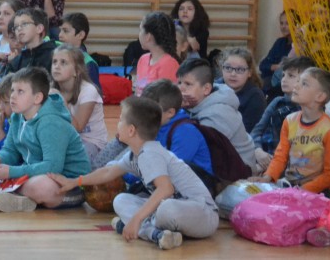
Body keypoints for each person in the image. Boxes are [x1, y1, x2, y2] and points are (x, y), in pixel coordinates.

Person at [50, 96, 219, 251]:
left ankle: (140, 227)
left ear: (131, 130)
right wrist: (75, 181)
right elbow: (108, 171)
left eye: (121, 119)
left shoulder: (150, 153)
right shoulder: (135, 153)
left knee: (166, 210)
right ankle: (156, 234)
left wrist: (136, 219)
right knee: (121, 200)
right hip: (175, 210)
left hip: (203, 214)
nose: (118, 123)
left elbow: (165, 189)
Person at [0, 66, 91, 212]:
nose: (12, 96)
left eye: (20, 91)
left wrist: (11, 172)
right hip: (39, 174)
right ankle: (20, 198)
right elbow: (10, 150)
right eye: (13, 90)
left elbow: (52, 167)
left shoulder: (50, 123)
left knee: (40, 186)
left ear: (37, 98)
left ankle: (12, 193)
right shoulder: (17, 116)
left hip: (70, 185)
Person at [250, 67, 330, 194]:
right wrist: (267, 177)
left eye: (304, 84)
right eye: (298, 82)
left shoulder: (327, 128)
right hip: (288, 185)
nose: (296, 86)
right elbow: (280, 156)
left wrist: (302, 191)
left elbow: (329, 175)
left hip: (316, 193)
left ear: (320, 96)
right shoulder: (290, 120)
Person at [176, 57, 257, 171]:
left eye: (188, 84)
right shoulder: (193, 105)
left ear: (206, 89)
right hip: (218, 163)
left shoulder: (218, 113)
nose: (181, 89)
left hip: (239, 172)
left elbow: (200, 150)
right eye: (179, 83)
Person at [140, 80, 215, 191]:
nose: (144, 115)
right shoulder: (155, 125)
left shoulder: (186, 132)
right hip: (166, 187)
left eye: (150, 110)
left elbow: (172, 171)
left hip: (194, 192)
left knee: (167, 206)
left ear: (170, 112)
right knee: (122, 199)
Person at [251, 56, 316, 169]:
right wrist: (258, 150)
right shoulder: (277, 102)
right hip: (266, 159)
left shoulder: (312, 108)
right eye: (283, 75)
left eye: (290, 76)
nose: (284, 79)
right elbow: (256, 131)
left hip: (293, 166)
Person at [51, 44, 107, 163]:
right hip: (65, 139)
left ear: (76, 71)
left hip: (90, 142)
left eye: (63, 63)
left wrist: (61, 102)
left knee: (72, 162)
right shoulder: (51, 89)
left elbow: (78, 127)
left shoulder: (88, 90)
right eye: (54, 62)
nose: (56, 66)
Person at [217, 47, 266, 132]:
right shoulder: (214, 87)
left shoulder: (255, 96)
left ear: (249, 72)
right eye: (228, 68)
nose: (233, 74)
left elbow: (248, 132)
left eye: (240, 70)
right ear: (222, 68)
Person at [133, 11, 180, 96]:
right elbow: (138, 92)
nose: (139, 34)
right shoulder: (143, 59)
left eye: (140, 30)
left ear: (148, 37)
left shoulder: (169, 64)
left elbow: (166, 100)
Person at [58, 12, 100, 87]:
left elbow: (94, 95)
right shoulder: (56, 55)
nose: (60, 35)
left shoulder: (89, 64)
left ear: (80, 35)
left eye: (65, 31)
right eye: (60, 31)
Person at [6, 8, 54, 74]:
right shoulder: (16, 61)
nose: (19, 29)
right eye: (16, 26)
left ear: (39, 28)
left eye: (24, 24)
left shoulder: (54, 56)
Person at [258, 10, 293, 98]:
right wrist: (276, 67)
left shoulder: (299, 46)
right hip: (269, 79)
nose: (283, 27)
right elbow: (263, 65)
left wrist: (275, 68)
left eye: (287, 23)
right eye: (281, 23)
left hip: (281, 84)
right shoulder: (279, 42)